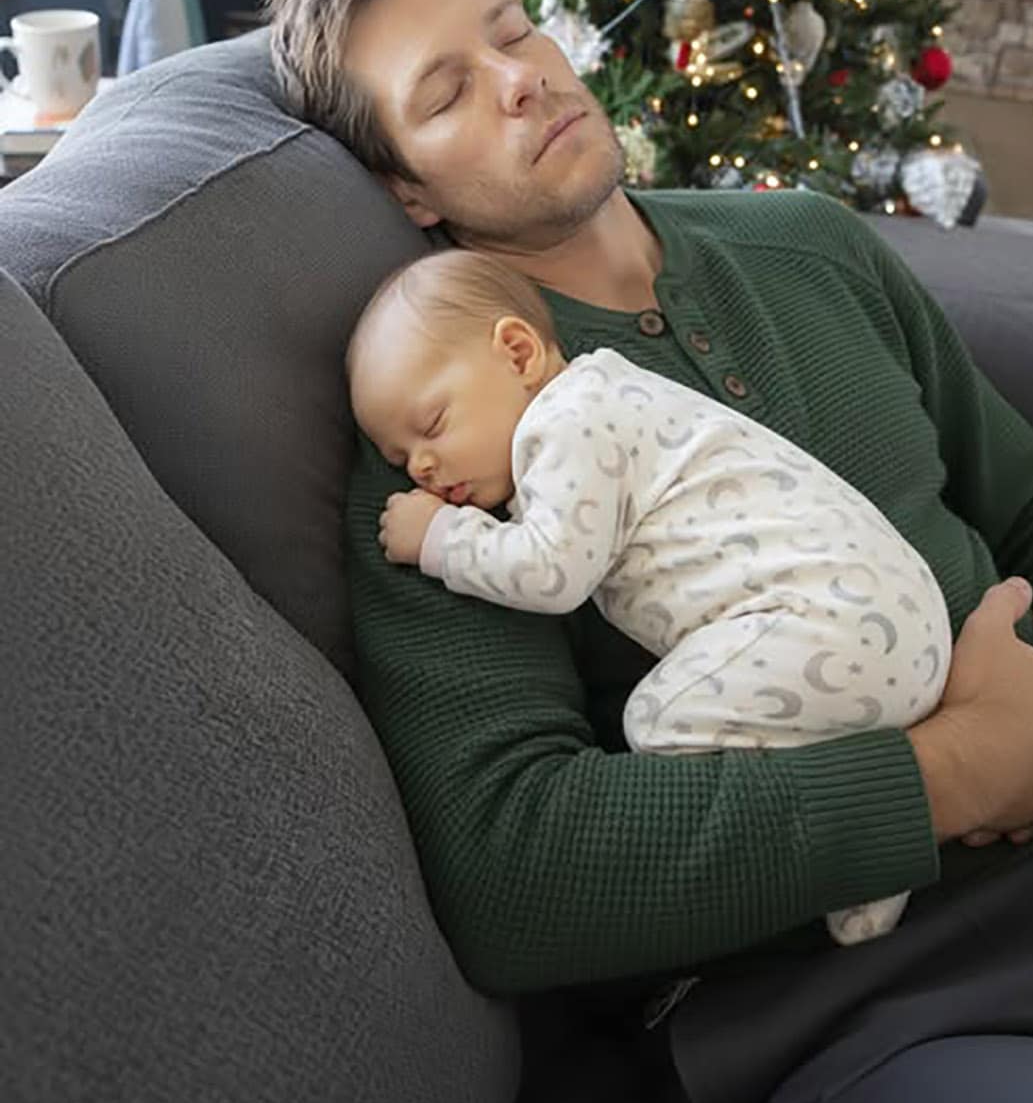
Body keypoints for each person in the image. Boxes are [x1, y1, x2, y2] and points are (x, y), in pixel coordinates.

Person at [264, 0, 1033, 1103]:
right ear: (405, 188)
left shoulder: (807, 242)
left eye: (514, 32)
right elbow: (512, 863)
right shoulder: (447, 462)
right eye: (449, 93)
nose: (521, 81)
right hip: (864, 1013)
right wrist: (968, 770)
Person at [347, 247, 954, 947]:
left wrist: (441, 537)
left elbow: (551, 573)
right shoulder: (617, 395)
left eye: (431, 426)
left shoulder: (566, 423)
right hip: (883, 618)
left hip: (833, 620)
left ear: (518, 353)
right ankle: (880, 841)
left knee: (661, 721)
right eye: (400, 460)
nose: (421, 467)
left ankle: (858, 836)